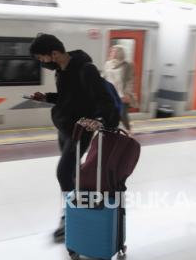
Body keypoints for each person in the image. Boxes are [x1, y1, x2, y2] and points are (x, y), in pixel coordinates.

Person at [29, 33, 120, 242]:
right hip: (65, 129)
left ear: (54, 53)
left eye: (42, 58)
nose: (42, 63)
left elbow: (105, 101)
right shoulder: (61, 71)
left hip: (81, 130)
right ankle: (82, 208)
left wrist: (107, 127)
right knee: (73, 173)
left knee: (63, 172)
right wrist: (47, 97)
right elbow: (68, 97)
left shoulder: (85, 69)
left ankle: (70, 217)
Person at [103, 45, 137, 134]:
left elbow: (130, 80)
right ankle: (112, 131)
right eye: (111, 51)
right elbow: (104, 77)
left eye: (114, 51)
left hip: (122, 94)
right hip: (110, 93)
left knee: (122, 114)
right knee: (111, 114)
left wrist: (127, 93)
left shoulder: (128, 64)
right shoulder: (107, 64)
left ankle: (129, 130)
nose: (111, 52)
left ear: (120, 52)